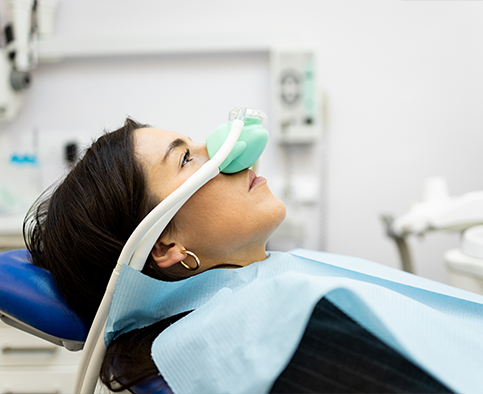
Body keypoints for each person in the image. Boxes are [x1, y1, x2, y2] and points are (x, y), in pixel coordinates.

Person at [24, 118, 480, 394]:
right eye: (186, 160)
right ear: (165, 246)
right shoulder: (263, 330)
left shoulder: (270, 289)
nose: (232, 154)